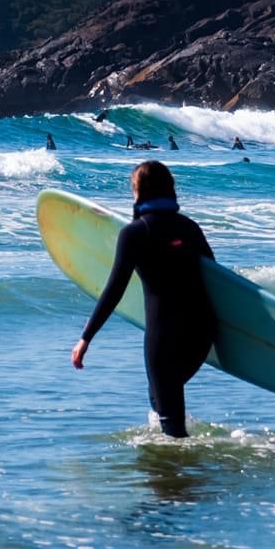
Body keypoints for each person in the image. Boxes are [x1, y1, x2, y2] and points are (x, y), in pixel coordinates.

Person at [72, 161, 218, 439]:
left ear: (139, 192)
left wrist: (86, 337)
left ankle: (175, 477)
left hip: (165, 336)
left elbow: (114, 289)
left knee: (172, 427)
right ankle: (192, 476)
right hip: (202, 332)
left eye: (133, 188)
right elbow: (215, 279)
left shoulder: (135, 233)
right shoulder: (189, 227)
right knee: (161, 399)